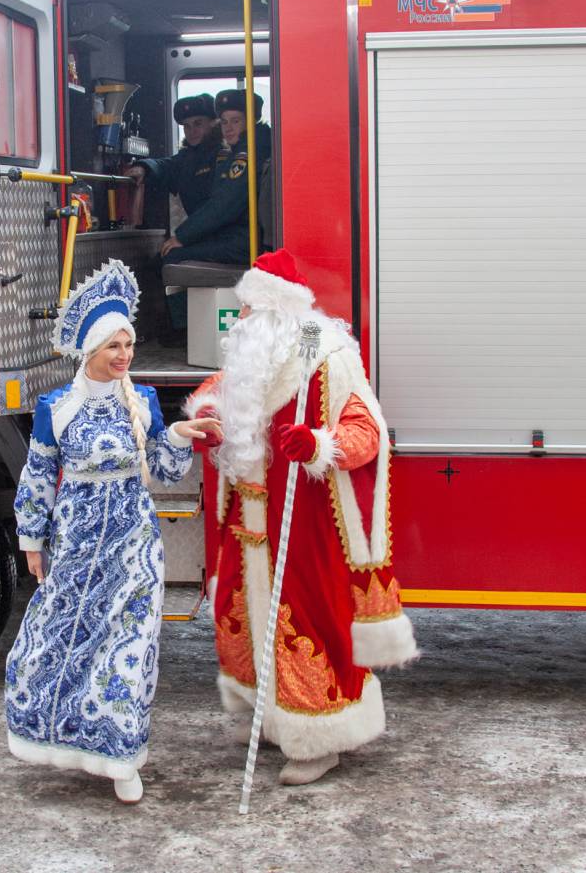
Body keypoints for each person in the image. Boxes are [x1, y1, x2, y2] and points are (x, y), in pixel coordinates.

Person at [184, 249, 416, 786]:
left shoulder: (328, 358)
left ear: (275, 312)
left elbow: (367, 431)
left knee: (308, 621)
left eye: (248, 311)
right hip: (248, 519)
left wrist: (318, 444)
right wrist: (208, 419)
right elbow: (211, 395)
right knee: (246, 614)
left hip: (306, 523)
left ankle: (319, 737)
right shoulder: (247, 360)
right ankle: (270, 717)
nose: (240, 321)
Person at [4, 259, 221, 805]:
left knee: (130, 645)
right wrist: (32, 540)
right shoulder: (55, 408)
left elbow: (166, 474)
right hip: (76, 544)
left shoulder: (143, 402)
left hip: (133, 545)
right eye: (114, 347)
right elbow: (37, 476)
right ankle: (58, 737)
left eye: (128, 344)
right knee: (61, 639)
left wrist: (177, 434)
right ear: (90, 351)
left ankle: (120, 755)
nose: (125, 355)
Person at [160, 88, 273, 333]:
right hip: (242, 237)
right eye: (224, 122)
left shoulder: (247, 153)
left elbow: (225, 204)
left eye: (236, 121)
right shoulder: (246, 147)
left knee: (173, 255)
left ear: (251, 121)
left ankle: (182, 334)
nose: (228, 128)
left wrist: (182, 236)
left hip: (244, 242)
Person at [125, 93, 221, 219]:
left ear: (213, 123)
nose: (192, 131)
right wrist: (143, 168)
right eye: (187, 126)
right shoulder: (187, 157)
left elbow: (218, 208)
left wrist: (183, 236)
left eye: (198, 124)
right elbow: (165, 165)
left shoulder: (223, 154)